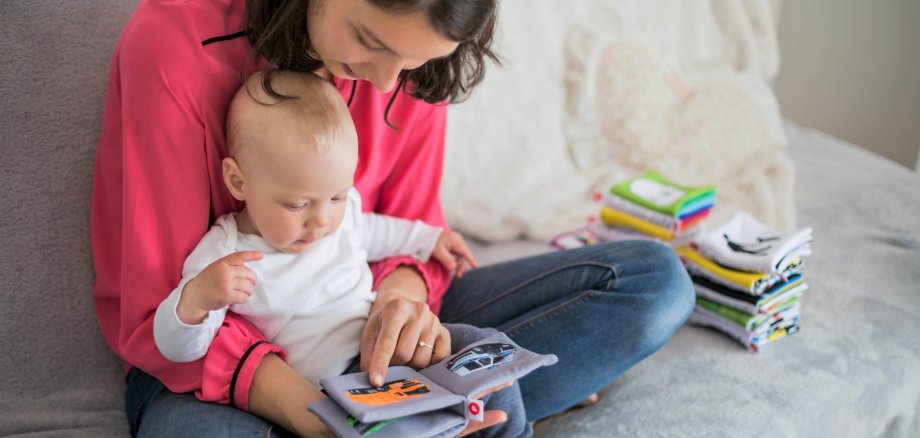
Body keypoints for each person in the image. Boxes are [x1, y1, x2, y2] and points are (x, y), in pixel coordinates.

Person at [92, 0, 696, 436]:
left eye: (413, 61)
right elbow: (162, 316)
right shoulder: (173, 46)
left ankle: (428, 417)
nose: (388, 82)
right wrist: (316, 416)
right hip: (208, 364)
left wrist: (399, 306)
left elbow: (408, 230)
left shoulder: (410, 66)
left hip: (365, 333)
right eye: (371, 41)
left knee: (655, 284)